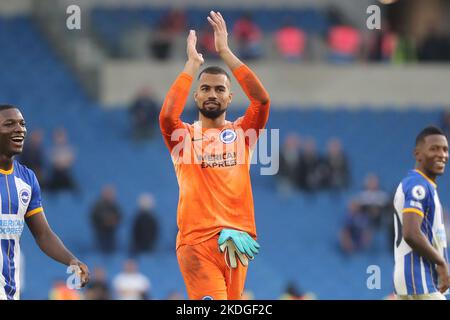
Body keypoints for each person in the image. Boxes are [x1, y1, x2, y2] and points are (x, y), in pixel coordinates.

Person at [159, 11, 269, 300]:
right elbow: (167, 116)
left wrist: (225, 52)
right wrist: (192, 65)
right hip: (197, 243)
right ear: (195, 96)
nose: (212, 93)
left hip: (237, 242)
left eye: (220, 89)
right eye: (205, 88)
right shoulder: (183, 137)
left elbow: (261, 100)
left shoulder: (244, 133)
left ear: (229, 98)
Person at [0, 104, 89, 300]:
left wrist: (72, 260)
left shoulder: (27, 179)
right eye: (9, 124)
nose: (19, 129)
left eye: (22, 124)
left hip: (9, 292)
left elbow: (43, 234)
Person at [393, 126, 450, 300]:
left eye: (445, 149)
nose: (442, 154)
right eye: (434, 149)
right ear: (417, 154)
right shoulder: (419, 186)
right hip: (417, 278)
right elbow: (411, 233)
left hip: (415, 280)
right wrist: (441, 263)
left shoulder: (424, 186)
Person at [90, 185, 122, 254]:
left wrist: (113, 221)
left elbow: (119, 216)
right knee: (101, 249)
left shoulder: (114, 206)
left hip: (111, 231)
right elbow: (94, 217)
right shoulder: (98, 205)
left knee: (112, 249)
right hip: (101, 231)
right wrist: (104, 221)